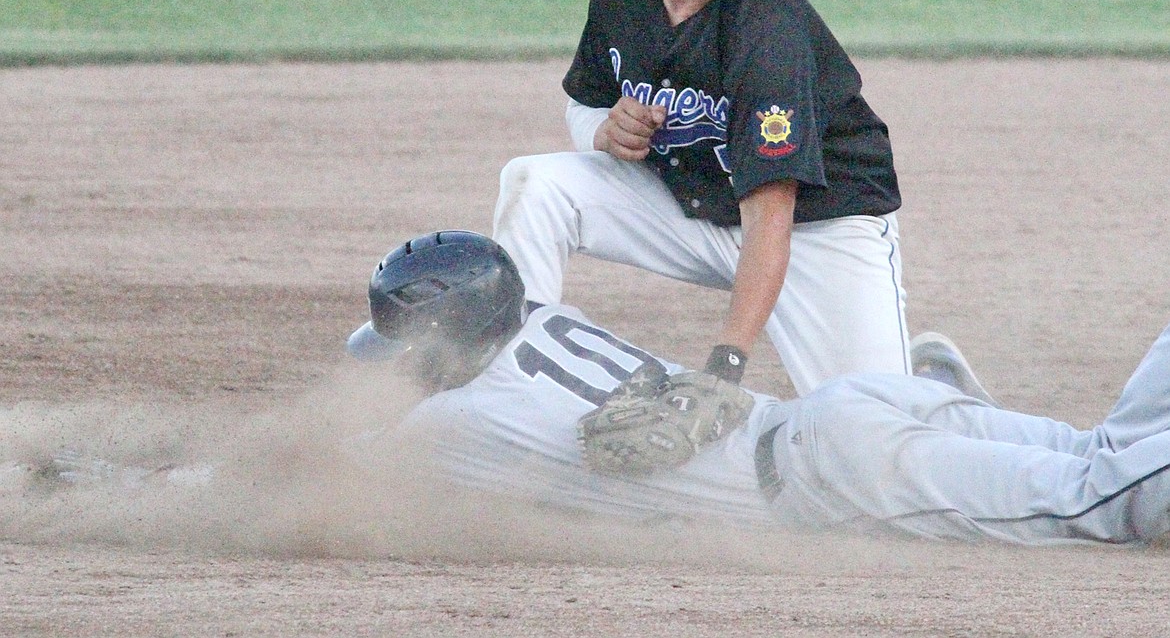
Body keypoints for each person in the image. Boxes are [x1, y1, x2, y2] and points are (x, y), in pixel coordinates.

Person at [347, 231, 1170, 546]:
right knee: (1099, 452)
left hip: (841, 473)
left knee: (1095, 502)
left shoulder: (454, 426)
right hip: (848, 410)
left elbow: (343, 477)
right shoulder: (544, 318)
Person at [492, 0, 909, 395]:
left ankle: (935, 392)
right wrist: (602, 132)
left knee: (874, 428)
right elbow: (584, 102)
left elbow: (770, 216)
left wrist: (726, 365)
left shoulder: (767, 30)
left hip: (818, 230)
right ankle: (511, 383)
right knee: (535, 183)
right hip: (694, 208)